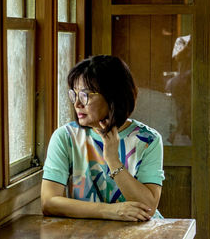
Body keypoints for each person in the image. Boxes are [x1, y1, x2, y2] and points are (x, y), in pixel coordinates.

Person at [41, 55, 164, 222]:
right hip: (84, 232)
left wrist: (113, 160)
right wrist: (111, 211)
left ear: (113, 97)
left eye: (85, 95)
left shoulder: (148, 140)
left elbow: (148, 207)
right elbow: (49, 202)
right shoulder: (66, 137)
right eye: (74, 94)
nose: (77, 103)